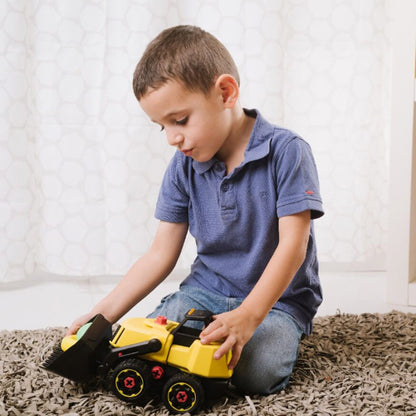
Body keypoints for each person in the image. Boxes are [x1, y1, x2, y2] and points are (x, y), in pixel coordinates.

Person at [67, 25, 324, 395]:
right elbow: (159, 255)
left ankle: (262, 339)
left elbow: (293, 247)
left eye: (180, 120)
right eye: (162, 127)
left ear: (225, 92)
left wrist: (249, 317)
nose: (173, 137)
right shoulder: (182, 165)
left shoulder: (287, 151)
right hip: (205, 292)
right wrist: (101, 316)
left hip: (276, 302)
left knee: (256, 372)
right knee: (141, 346)